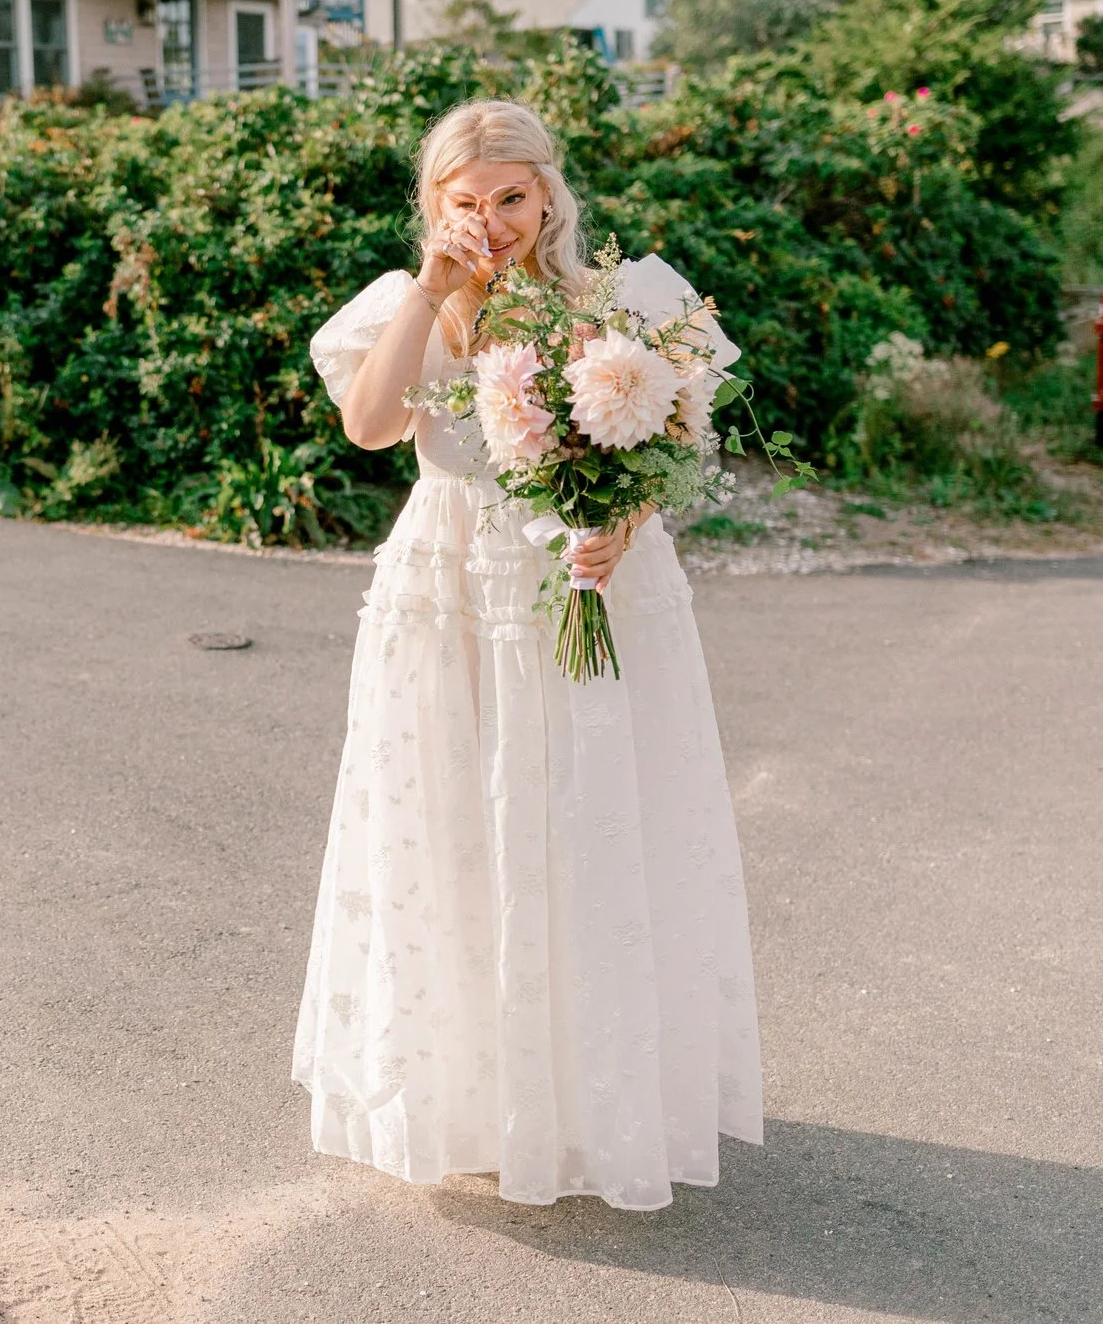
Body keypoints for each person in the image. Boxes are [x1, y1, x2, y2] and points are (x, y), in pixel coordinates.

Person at [290, 99, 762, 1212]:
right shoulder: (411, 304)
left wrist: (623, 524)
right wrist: (429, 288)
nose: (493, 220)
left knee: (585, 820)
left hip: (588, 584)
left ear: (548, 192)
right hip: (451, 589)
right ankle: (472, 1097)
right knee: (460, 827)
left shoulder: (627, 302)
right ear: (436, 205)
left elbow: (673, 442)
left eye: (511, 196)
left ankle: (592, 1099)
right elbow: (369, 426)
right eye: (468, 201)